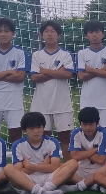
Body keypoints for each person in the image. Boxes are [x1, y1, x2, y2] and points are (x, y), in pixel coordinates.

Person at [4, 112, 78, 194]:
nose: (36, 131)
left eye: (39, 127)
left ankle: (41, 191)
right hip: (27, 180)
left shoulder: (52, 142)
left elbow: (54, 167)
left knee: (73, 163)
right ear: (24, 130)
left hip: (50, 178)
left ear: (43, 127)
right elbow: (20, 171)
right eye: (31, 128)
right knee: (8, 168)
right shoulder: (18, 145)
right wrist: (44, 164)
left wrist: (30, 166)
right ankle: (44, 192)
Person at [29, 20, 75, 155]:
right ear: (42, 35)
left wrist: (44, 71)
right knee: (44, 137)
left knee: (65, 137)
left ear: (58, 35)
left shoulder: (66, 54)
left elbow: (68, 74)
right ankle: (47, 165)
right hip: (41, 104)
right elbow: (34, 78)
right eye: (46, 31)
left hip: (62, 103)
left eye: (52, 31)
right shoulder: (36, 55)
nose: (49, 34)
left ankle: (68, 166)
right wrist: (58, 71)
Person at [76, 20, 106, 143]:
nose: (94, 35)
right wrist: (102, 70)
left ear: (103, 34)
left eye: (97, 31)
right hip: (88, 101)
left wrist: (90, 70)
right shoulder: (81, 53)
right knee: (88, 137)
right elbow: (81, 76)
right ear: (86, 35)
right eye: (91, 32)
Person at [63, 106, 106, 193]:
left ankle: (80, 186)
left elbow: (101, 160)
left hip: (100, 170)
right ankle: (90, 185)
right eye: (84, 124)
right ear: (80, 123)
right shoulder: (76, 133)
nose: (88, 128)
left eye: (91, 124)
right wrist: (95, 150)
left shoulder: (104, 133)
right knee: (61, 167)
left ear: (97, 122)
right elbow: (74, 157)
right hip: (81, 170)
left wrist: (82, 151)